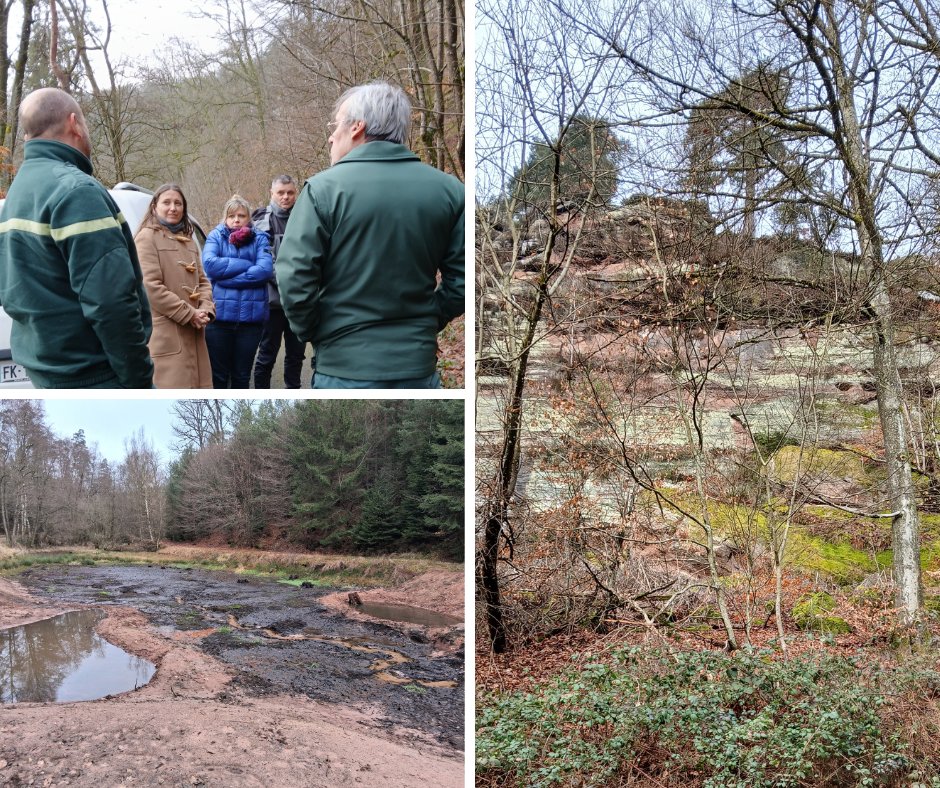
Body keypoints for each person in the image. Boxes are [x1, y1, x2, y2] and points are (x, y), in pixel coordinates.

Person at [277, 81, 464, 389]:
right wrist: (428, 319)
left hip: (343, 368)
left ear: (356, 127)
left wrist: (314, 329)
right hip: (417, 367)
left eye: (335, 125)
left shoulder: (322, 191)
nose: (330, 135)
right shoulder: (451, 192)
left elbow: (294, 277)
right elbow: (461, 285)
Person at [0, 87, 153, 388]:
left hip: (47, 372)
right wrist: (139, 381)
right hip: (96, 375)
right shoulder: (75, 192)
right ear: (74, 123)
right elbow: (112, 304)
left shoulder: (17, 193)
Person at [134, 184, 215, 388]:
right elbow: (149, 286)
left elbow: (203, 281)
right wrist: (189, 314)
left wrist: (205, 309)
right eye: (167, 202)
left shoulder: (188, 241)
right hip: (168, 337)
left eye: (178, 203)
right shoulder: (146, 237)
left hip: (196, 334)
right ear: (154, 207)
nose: (173, 208)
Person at [202, 194, 272, 388]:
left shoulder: (260, 239)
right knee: (219, 376)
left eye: (241, 215)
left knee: (242, 376)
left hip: (250, 323)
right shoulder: (216, 236)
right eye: (232, 215)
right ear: (225, 217)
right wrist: (247, 265)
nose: (236, 220)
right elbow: (210, 265)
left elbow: (265, 271)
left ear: (248, 218)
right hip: (219, 321)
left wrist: (225, 279)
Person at [251, 174, 308, 388]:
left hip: (299, 302)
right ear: (272, 194)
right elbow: (265, 261)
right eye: (280, 193)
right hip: (272, 302)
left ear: (296, 193)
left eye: (290, 192)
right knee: (266, 355)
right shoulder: (260, 220)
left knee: (296, 356)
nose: (285, 197)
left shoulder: (304, 218)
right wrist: (289, 285)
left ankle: (294, 390)